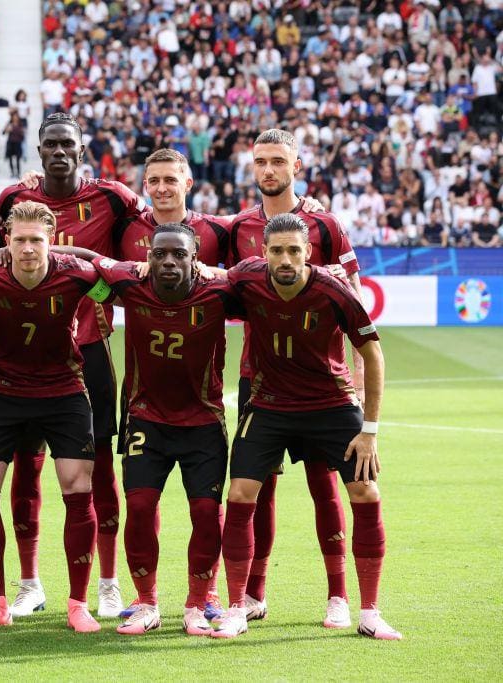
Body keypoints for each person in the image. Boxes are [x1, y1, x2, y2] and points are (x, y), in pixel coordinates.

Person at [212, 213, 401, 641]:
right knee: (241, 493)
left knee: (366, 490)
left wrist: (369, 429)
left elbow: (372, 352)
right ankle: (238, 607)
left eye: (294, 250)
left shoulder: (333, 289)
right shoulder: (245, 279)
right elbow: (208, 281)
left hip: (331, 406)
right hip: (269, 405)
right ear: (263, 252)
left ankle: (369, 611)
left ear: (308, 253)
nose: (285, 258)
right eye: (276, 250)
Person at [0, 113, 143, 618]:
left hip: (90, 350)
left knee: (99, 469)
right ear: (38, 150)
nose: (59, 152)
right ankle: (30, 582)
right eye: (50, 144)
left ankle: (106, 582)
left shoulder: (113, 197)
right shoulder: (13, 200)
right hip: (22, 352)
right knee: (25, 468)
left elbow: (158, 221)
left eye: (68, 145)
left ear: (82, 150)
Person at [61, 223, 242, 636]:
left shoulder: (219, 293)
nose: (168, 261)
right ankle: (146, 603)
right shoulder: (130, 286)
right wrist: (26, 243)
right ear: (148, 258)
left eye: (179, 254)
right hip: (146, 420)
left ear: (195, 257)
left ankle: (197, 604)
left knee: (205, 514)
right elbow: (87, 259)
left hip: (203, 424)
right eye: (159, 254)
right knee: (140, 509)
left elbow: (259, 277)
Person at [225, 129, 363, 628]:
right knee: (257, 487)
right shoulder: (238, 226)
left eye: (277, 161)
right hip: (259, 378)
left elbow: (354, 295)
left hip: (322, 383)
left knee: (325, 484)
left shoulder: (324, 225)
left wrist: (360, 389)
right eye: (260, 161)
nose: (268, 170)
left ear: (296, 165)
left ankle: (339, 596)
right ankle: (254, 595)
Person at [0, 200, 112, 633]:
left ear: (52, 241)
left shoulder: (77, 275)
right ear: (7, 240)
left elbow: (115, 286)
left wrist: (91, 256)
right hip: (1, 391)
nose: (27, 249)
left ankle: (78, 604)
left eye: (36, 241)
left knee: (78, 487)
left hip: (63, 392)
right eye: (20, 240)